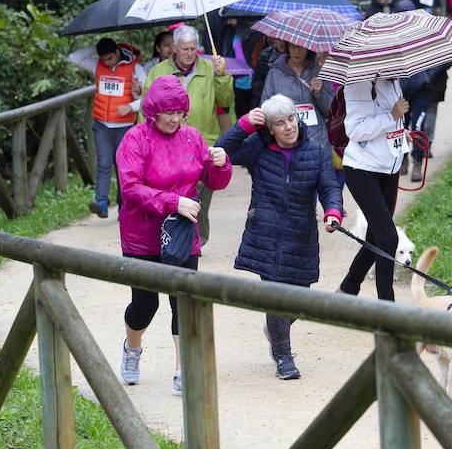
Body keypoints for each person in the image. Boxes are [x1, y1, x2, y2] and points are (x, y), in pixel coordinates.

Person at [115, 75, 233, 392]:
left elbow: (214, 182)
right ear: (153, 111)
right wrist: (173, 201)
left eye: (180, 112)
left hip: (181, 234)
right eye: (168, 112)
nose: (174, 118)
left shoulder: (192, 137)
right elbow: (130, 189)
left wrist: (221, 164)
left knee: (183, 301)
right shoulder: (135, 139)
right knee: (145, 305)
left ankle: (183, 370)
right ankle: (132, 348)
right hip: (142, 236)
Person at [217, 95, 343, 379]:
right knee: (276, 298)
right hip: (266, 235)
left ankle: (276, 328)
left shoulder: (316, 151)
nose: (289, 127)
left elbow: (329, 187)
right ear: (270, 129)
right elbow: (221, 152)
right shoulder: (257, 148)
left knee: (300, 300)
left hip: (301, 235)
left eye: (291, 119)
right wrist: (243, 125)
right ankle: (284, 357)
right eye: (280, 123)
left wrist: (333, 211)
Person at [144, 25, 233, 248]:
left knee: (201, 196)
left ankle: (196, 242)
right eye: (185, 49)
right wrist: (144, 142)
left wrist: (221, 76)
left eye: (194, 48)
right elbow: (146, 109)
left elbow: (225, 101)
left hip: (203, 142)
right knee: (173, 193)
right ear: (174, 48)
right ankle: (171, 238)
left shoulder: (209, 68)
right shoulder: (158, 72)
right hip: (166, 144)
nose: (190, 53)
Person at [337, 77, 409, 301]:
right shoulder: (358, 83)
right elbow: (355, 130)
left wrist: (400, 131)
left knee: (377, 237)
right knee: (388, 238)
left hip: (389, 168)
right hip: (362, 170)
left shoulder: (392, 80)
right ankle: (386, 308)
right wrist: (392, 116)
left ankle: (348, 288)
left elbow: (386, 123)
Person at [67, 37, 147, 218]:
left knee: (122, 167)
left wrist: (131, 105)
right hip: (102, 125)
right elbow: (73, 57)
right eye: (103, 59)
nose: (107, 62)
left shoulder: (136, 68)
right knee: (103, 163)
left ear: (117, 52)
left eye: (110, 58)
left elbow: (147, 96)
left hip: (125, 126)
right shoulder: (98, 65)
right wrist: (95, 48)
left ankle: (124, 207)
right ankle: (101, 203)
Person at [261, 42, 333, 147]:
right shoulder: (275, 73)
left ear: (308, 49)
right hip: (287, 138)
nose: (297, 51)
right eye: (293, 46)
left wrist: (319, 93)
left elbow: (330, 111)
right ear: (287, 47)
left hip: (317, 140)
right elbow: (265, 109)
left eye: (301, 47)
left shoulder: (319, 71)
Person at [251, 36, 285, 103]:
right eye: (278, 39)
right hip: (268, 97)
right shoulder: (265, 56)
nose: (281, 43)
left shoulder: (293, 57)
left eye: (284, 40)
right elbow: (258, 83)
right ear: (273, 39)